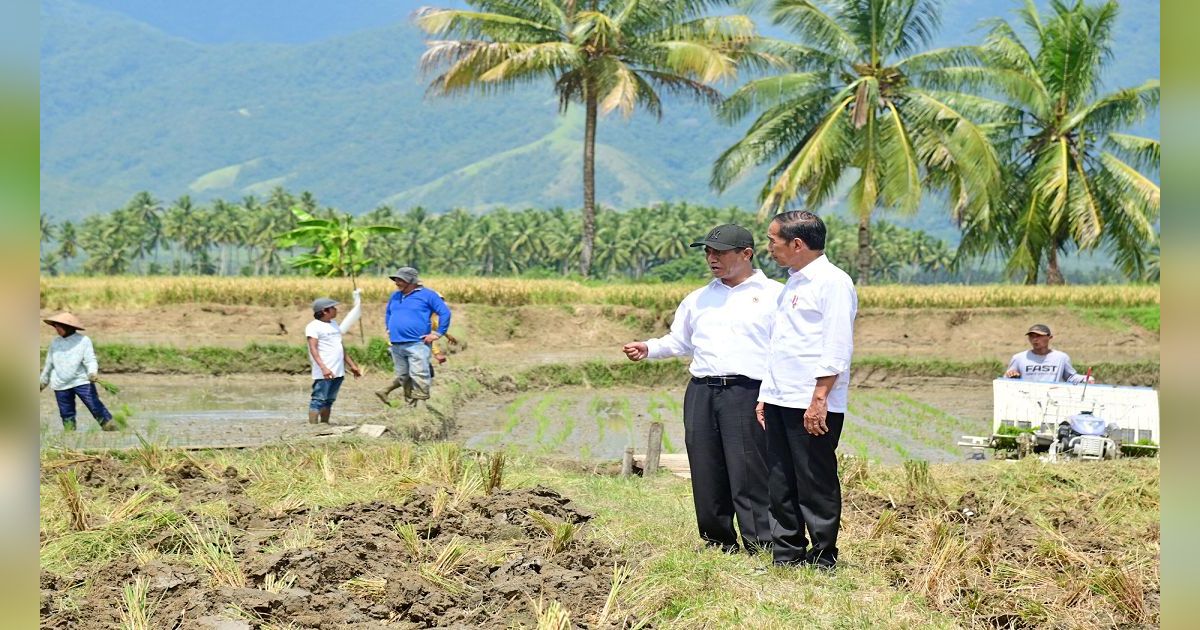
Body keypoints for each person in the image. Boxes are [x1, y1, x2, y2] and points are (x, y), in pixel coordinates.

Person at [622, 224, 782, 554]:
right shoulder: (698, 298)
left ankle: (760, 544)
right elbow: (679, 341)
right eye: (708, 251)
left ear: (746, 254)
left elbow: (785, 348)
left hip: (747, 391)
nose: (712, 258)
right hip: (702, 392)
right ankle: (717, 541)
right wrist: (648, 348)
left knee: (748, 469)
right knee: (706, 467)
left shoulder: (774, 296)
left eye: (720, 252)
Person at [756, 211, 857, 570]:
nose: (768, 249)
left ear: (797, 244)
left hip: (812, 401)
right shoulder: (793, 283)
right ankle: (787, 552)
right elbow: (780, 346)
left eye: (773, 241)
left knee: (815, 480)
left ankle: (823, 555)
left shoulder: (833, 282)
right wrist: (766, 394)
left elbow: (836, 346)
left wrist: (819, 401)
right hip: (782, 397)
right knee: (780, 479)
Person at [376, 267, 451, 407]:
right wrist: (388, 327)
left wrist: (438, 333)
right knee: (403, 376)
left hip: (417, 342)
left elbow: (445, 313)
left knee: (419, 373)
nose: (396, 282)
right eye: (396, 279)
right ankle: (411, 405)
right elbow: (388, 312)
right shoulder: (395, 296)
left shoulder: (428, 295)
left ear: (411, 280)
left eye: (400, 279)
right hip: (397, 343)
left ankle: (421, 405)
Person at [40, 312, 117, 432]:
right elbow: (49, 365)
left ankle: (111, 429)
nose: (56, 329)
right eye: (55, 326)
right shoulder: (55, 342)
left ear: (68, 327)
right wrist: (42, 383)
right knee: (66, 413)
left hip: (81, 381)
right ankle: (70, 436)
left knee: (95, 406)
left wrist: (92, 373)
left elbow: (90, 360)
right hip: (60, 384)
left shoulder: (83, 341)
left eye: (58, 326)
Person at [306, 297, 362, 424]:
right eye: (333, 308)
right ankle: (313, 426)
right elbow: (313, 349)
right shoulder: (313, 327)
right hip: (324, 371)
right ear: (325, 311)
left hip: (338, 370)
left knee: (329, 400)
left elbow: (340, 347)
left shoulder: (334, 325)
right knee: (318, 399)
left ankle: (325, 424)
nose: (336, 310)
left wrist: (352, 365)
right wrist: (323, 368)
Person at [1004, 324, 1094, 384]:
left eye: (1039, 336)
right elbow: (1006, 380)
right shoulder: (1019, 358)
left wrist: (1086, 379)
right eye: (1032, 336)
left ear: (1049, 337)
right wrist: (1011, 375)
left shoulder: (1061, 358)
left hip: (1052, 399)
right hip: (1027, 399)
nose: (1035, 340)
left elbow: (1070, 377)